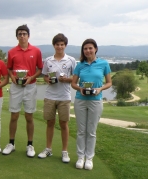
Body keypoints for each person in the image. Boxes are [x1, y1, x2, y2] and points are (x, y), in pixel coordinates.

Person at [2, 24, 43, 157]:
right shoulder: (12, 52)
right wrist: (13, 77)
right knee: (14, 115)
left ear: (28, 36)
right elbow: (8, 68)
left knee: (29, 116)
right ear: (17, 37)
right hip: (16, 87)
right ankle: (11, 144)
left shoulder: (36, 51)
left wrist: (31, 77)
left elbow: (40, 69)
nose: (22, 36)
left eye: (24, 34)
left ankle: (30, 145)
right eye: (19, 34)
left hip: (30, 86)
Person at [71, 39, 112, 170]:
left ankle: (89, 158)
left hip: (96, 100)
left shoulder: (103, 63)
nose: (88, 50)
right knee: (81, 131)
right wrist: (80, 89)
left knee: (92, 131)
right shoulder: (80, 65)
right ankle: (80, 157)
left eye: (90, 48)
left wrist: (100, 89)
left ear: (95, 49)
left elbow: (109, 82)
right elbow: (73, 83)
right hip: (80, 100)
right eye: (85, 48)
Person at [37, 33, 76, 163]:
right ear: (54, 45)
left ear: (65, 45)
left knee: (64, 124)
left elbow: (75, 79)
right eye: (57, 44)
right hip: (50, 96)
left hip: (64, 96)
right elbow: (45, 76)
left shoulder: (71, 60)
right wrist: (48, 80)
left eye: (62, 44)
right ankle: (48, 149)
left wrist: (67, 79)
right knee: (50, 122)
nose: (59, 47)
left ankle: (65, 152)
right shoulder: (48, 60)